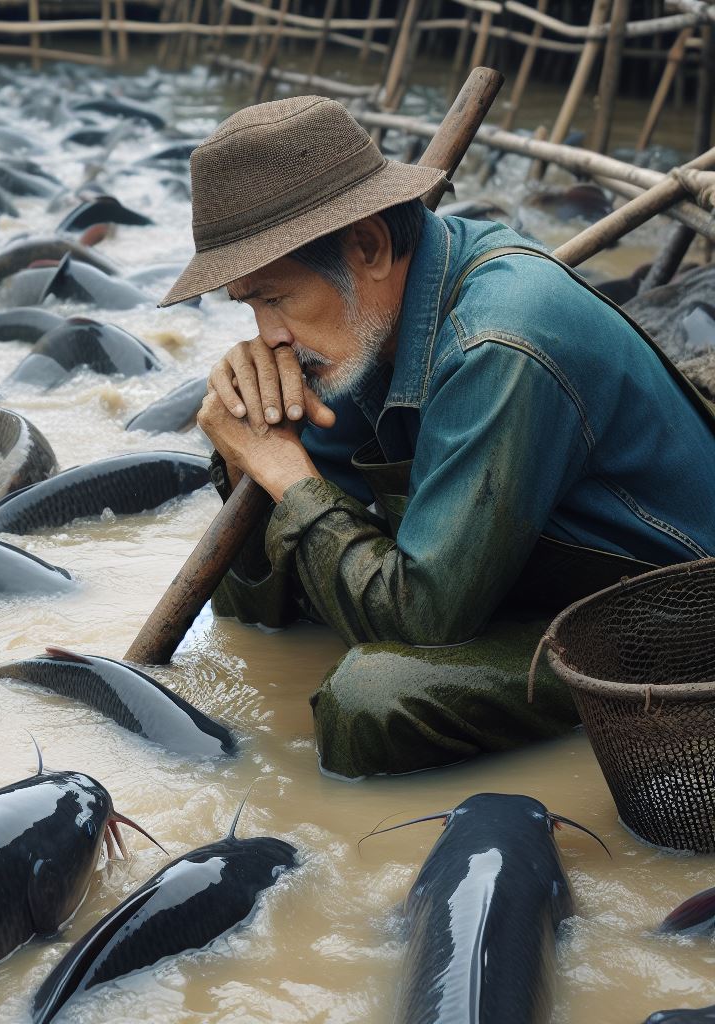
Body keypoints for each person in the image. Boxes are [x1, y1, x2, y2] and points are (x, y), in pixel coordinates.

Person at [158, 95, 715, 777]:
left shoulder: (498, 343)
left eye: (277, 298)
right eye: (250, 306)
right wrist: (244, 451)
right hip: (538, 588)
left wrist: (287, 476)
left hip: (675, 619)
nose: (267, 337)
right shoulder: (365, 329)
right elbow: (257, 605)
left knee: (369, 701)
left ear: (367, 245)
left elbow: (420, 622)